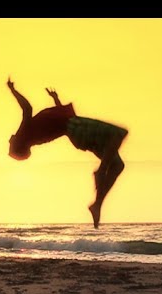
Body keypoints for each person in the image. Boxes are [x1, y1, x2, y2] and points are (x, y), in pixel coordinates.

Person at [7, 77, 128, 228]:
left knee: (118, 165)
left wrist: (56, 100)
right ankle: (101, 171)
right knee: (119, 134)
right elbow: (27, 109)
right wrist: (13, 90)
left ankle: (97, 205)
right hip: (75, 127)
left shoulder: (33, 135)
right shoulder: (25, 133)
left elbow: (56, 121)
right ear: (18, 144)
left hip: (76, 131)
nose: (8, 140)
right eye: (10, 145)